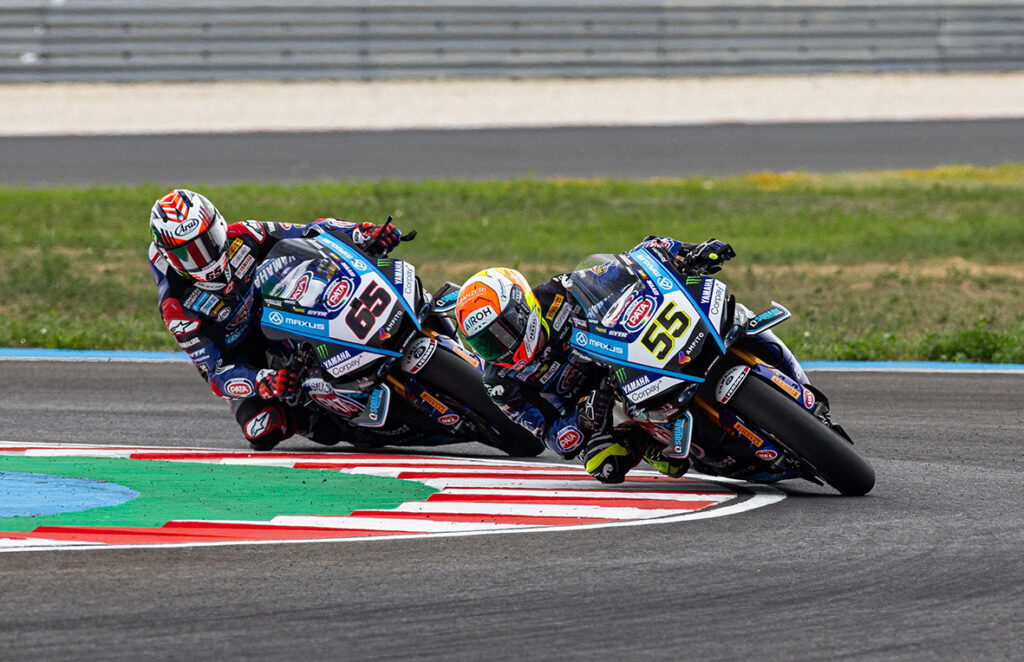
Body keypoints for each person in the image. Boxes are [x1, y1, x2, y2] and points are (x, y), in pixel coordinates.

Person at [454, 236, 741, 484]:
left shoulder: (557, 293)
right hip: (590, 403)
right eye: (484, 343)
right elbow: (550, 437)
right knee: (603, 464)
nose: (499, 348)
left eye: (500, 333)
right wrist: (582, 417)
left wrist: (686, 252)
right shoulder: (500, 383)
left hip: (621, 358)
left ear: (521, 309)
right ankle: (643, 439)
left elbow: (630, 263)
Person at [148, 188, 404, 451]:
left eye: (209, 240)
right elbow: (217, 374)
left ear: (219, 225)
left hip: (279, 312)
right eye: (188, 253)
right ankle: (325, 422)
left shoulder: (246, 235)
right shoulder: (177, 306)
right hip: (243, 356)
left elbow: (311, 231)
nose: (205, 257)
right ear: (168, 256)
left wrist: (361, 232)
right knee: (261, 429)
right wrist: (264, 381)